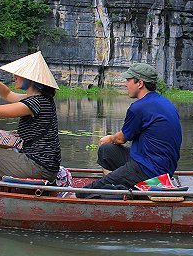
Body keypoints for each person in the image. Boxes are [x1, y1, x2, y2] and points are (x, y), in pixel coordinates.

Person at [78, 62, 182, 196]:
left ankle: (111, 189)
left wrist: (110, 138)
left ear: (140, 83)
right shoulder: (164, 102)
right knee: (106, 151)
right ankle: (117, 184)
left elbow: (121, 139)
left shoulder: (139, 107)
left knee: (86, 192)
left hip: (148, 169)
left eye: (128, 80)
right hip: (162, 166)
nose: (125, 84)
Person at [0, 51, 61, 185]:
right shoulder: (41, 99)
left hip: (38, 166)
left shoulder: (35, 103)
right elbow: (7, 94)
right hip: (44, 165)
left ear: (30, 78)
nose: (14, 77)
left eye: (18, 74)